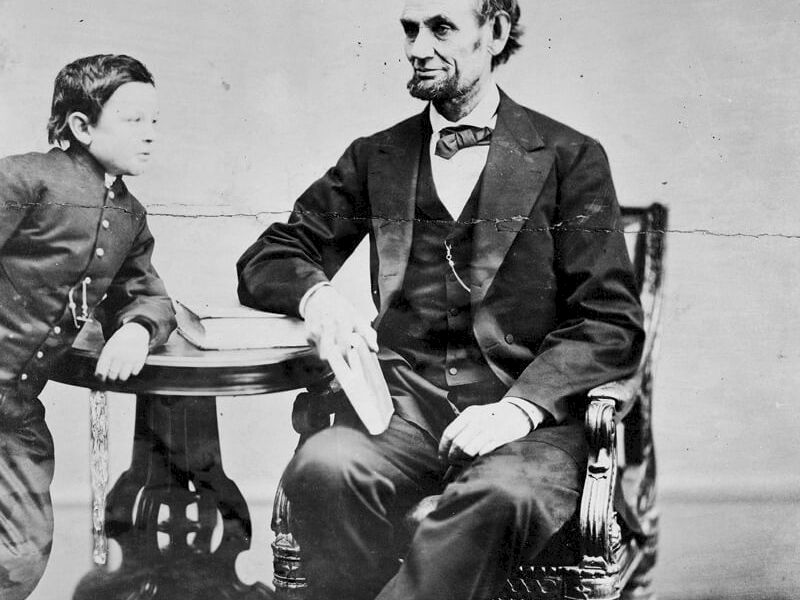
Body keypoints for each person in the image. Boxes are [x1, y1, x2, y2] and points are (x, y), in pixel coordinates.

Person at [237, 1, 644, 598]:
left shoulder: (570, 156)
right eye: (410, 29)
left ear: (495, 32)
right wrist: (317, 297)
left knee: (503, 494)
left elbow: (610, 321)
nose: (417, 48)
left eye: (442, 28)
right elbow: (271, 254)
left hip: (528, 425)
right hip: (403, 413)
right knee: (324, 469)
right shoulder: (377, 156)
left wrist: (519, 409)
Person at [0, 54, 175, 599]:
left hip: (13, 413)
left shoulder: (129, 215)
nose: (149, 133)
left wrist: (137, 329)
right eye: (132, 119)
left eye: (154, 120)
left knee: (19, 558)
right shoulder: (22, 178)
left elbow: (147, 293)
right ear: (81, 126)